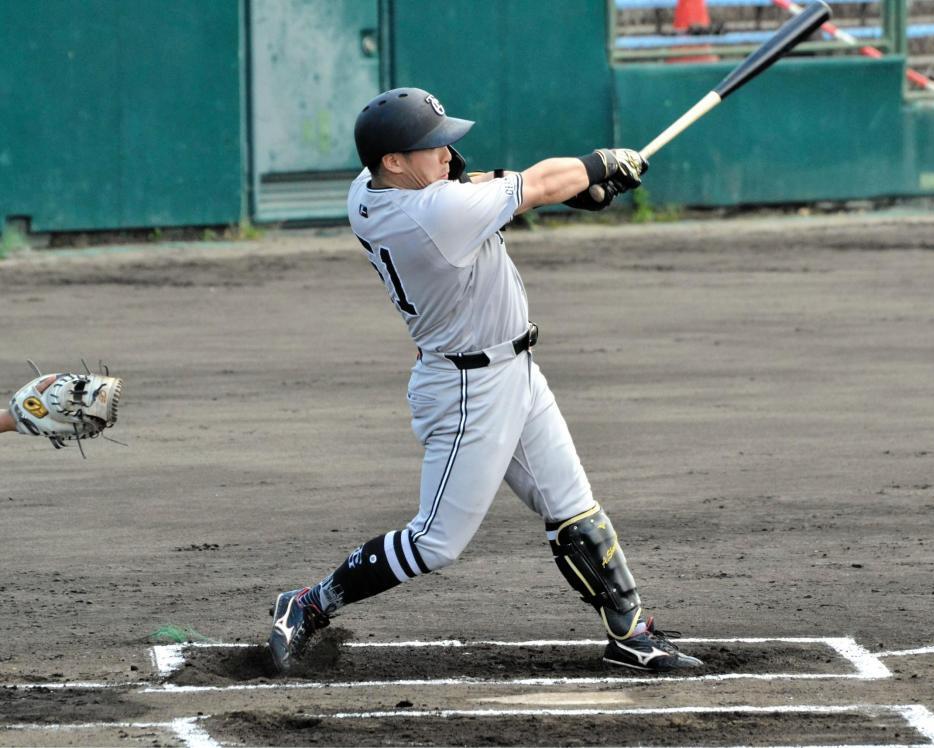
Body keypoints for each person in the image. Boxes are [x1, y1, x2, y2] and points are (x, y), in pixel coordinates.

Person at [268, 87, 702, 674]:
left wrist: (576, 190)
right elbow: (537, 185)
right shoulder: (432, 215)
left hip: (515, 370)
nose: (448, 154)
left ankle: (630, 632)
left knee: (572, 504)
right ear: (395, 160)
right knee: (435, 542)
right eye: (434, 146)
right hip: (469, 390)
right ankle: (309, 603)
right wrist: (598, 166)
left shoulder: (370, 191)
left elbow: (481, 186)